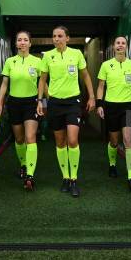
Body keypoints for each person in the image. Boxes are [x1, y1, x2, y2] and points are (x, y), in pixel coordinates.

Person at [37, 26, 96, 198]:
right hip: (55, 103)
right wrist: (41, 101)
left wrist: (92, 97)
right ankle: (65, 178)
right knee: (60, 142)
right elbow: (42, 80)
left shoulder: (76, 54)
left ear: (67, 38)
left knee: (72, 140)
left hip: (73, 102)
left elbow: (85, 76)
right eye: (54, 36)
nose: (57, 39)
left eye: (60, 36)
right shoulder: (47, 56)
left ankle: (74, 179)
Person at [0, 31, 42, 191]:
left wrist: (44, 104)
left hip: (32, 103)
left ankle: (30, 175)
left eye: (25, 40)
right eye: (19, 40)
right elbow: (4, 85)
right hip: (14, 103)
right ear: (16, 44)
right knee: (20, 139)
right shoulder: (10, 62)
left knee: (30, 137)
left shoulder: (37, 62)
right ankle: (23, 165)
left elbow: (43, 85)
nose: (22, 42)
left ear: (30, 43)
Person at [96, 36, 131, 191]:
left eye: (123, 43)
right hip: (111, 106)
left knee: (128, 140)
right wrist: (99, 104)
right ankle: (112, 164)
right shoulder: (106, 65)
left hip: (128, 106)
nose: (120, 45)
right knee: (114, 141)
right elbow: (101, 86)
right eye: (118, 43)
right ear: (113, 46)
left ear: (126, 46)